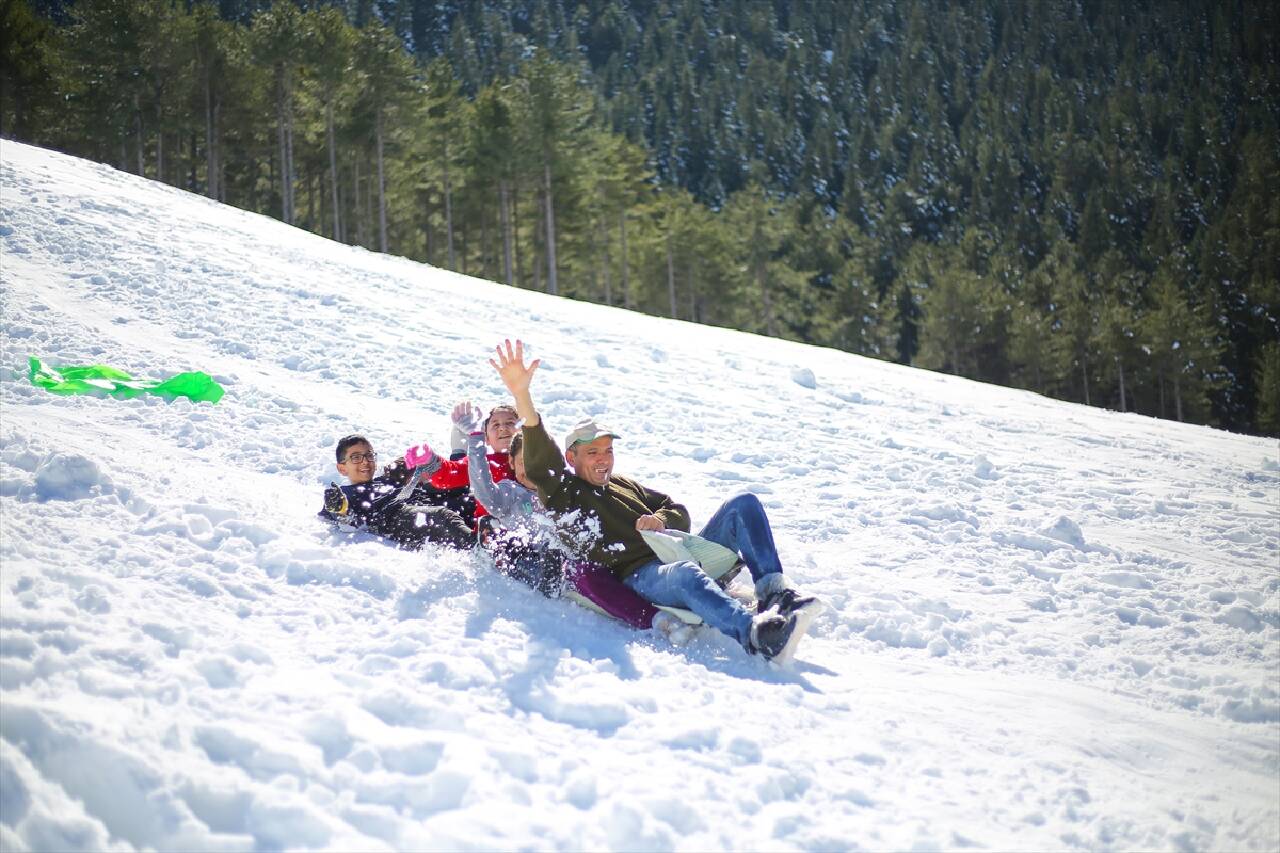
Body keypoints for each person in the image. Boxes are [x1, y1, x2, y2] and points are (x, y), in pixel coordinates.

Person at [490, 339, 821, 662]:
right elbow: (540, 457)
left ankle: (774, 595)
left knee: (743, 504)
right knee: (685, 576)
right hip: (640, 574)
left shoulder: (622, 483)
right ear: (571, 458)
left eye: (608, 450)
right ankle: (755, 635)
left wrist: (660, 520)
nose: (603, 459)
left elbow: (677, 510)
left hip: (678, 549)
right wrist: (522, 395)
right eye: (592, 452)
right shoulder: (563, 492)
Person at [453, 401, 696, 644]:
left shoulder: (564, 491)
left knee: (595, 554)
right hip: (539, 562)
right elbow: (484, 490)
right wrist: (475, 439)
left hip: (573, 551)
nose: (531, 470)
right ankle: (656, 620)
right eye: (522, 462)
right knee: (571, 565)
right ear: (512, 465)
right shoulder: (510, 493)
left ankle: (674, 586)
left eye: (534, 463)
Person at [320, 434, 475, 551]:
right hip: (395, 516)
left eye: (369, 455)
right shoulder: (346, 493)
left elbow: (410, 464)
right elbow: (340, 513)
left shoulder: (386, 478)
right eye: (356, 458)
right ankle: (481, 551)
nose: (365, 461)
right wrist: (340, 508)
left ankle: (492, 531)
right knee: (442, 517)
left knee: (470, 501)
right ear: (342, 468)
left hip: (424, 501)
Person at [403, 405, 518, 526]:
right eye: (495, 425)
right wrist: (432, 462)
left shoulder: (532, 460)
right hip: (490, 533)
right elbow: (452, 473)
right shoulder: (483, 461)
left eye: (510, 422)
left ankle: (459, 448)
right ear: (487, 439)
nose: (503, 428)